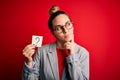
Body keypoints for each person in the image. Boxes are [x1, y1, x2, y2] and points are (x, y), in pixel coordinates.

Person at [22, 5, 89, 80]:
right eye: (58, 28)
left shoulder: (83, 53)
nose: (65, 30)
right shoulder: (41, 52)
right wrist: (29, 63)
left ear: (72, 25)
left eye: (68, 24)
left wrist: (72, 56)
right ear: (53, 32)